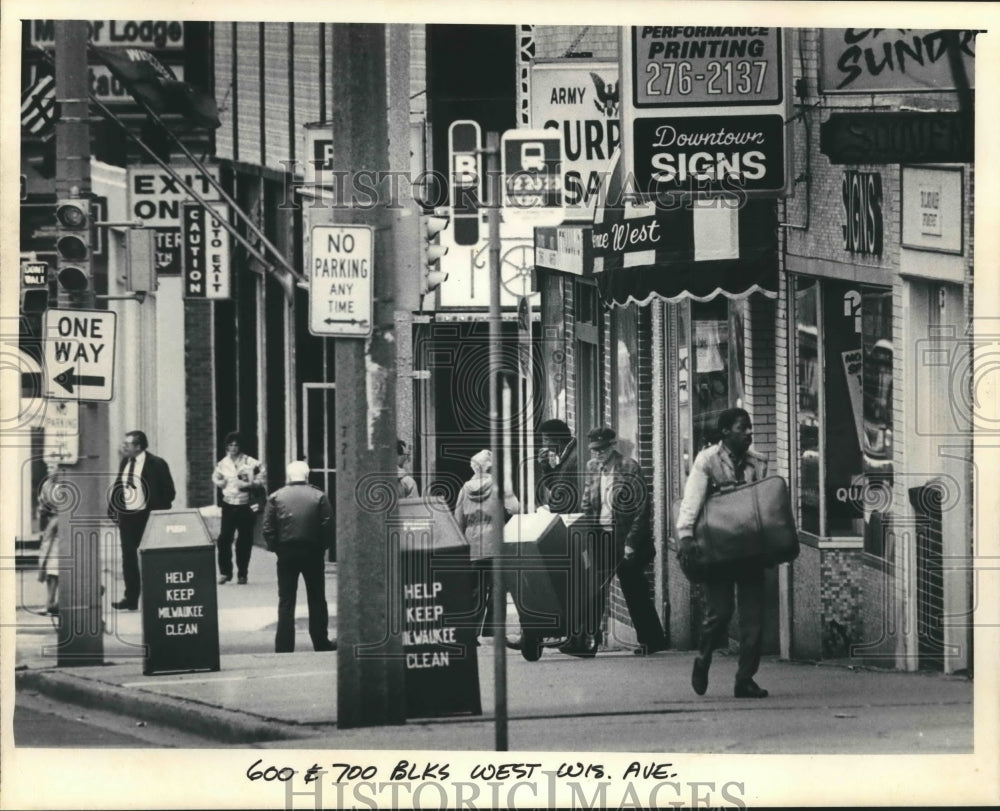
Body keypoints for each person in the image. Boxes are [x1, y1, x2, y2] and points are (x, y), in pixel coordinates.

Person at [676, 407, 770, 699]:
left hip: (750, 548)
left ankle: (745, 679)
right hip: (719, 548)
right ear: (725, 431)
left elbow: (764, 502)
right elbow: (691, 500)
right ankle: (703, 658)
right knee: (720, 613)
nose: (749, 433)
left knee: (753, 618)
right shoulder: (707, 461)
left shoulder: (758, 464)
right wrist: (686, 536)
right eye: (743, 428)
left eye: (750, 427)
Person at [583, 425, 666, 656]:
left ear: (612, 446)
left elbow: (641, 510)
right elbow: (587, 502)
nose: (598, 454)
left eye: (602, 449)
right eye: (594, 450)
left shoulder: (629, 468)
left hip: (626, 538)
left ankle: (652, 640)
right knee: (594, 589)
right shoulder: (592, 468)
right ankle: (588, 640)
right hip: (601, 535)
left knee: (634, 589)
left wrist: (630, 543)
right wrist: (586, 533)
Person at [262, 460, 336, 653]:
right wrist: (323, 546)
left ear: (288, 476)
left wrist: (275, 547)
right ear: (307, 476)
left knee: (286, 599)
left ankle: (284, 645)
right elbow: (327, 524)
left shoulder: (276, 497)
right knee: (317, 597)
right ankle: (321, 641)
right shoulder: (319, 496)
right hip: (312, 550)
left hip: (286, 551)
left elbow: (268, 527)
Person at [107, 430, 176, 610]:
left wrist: (157, 510)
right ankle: (130, 598)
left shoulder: (157, 464)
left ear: (138, 446)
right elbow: (118, 485)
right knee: (128, 559)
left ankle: (156, 598)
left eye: (127, 444)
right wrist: (113, 508)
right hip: (128, 517)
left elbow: (169, 492)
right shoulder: (125, 462)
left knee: (151, 558)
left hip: (147, 516)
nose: (124, 447)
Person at [211, 431, 266, 585]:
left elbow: (262, 475)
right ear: (227, 447)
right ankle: (225, 572)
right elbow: (215, 476)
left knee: (244, 540)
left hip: (245, 505)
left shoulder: (251, 462)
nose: (233, 447)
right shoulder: (223, 463)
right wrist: (219, 482)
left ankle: (242, 573)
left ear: (240, 446)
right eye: (230, 445)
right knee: (224, 539)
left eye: (236, 444)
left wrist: (252, 483)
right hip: (229, 504)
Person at [454, 449, 520, 556]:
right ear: (490, 467)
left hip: (473, 548)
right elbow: (515, 510)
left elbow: (458, 522)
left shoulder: (464, 490)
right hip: (496, 543)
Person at [536, 418, 582, 514]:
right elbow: (552, 485)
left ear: (558, 439)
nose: (544, 444)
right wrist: (546, 467)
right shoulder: (563, 455)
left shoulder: (575, 459)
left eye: (546, 440)